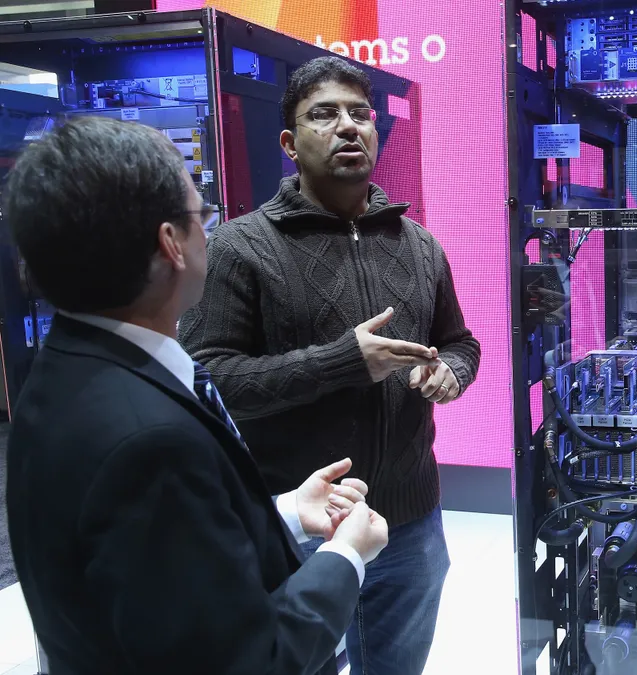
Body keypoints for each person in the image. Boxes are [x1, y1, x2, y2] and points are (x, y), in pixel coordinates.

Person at [4, 115, 389, 675]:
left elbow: (158, 579)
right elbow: (249, 660)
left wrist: (279, 513)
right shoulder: (149, 442)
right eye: (200, 216)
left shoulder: (67, 369)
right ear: (170, 244)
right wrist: (345, 555)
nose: (208, 231)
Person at [180, 56, 480, 675]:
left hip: (409, 522)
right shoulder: (240, 248)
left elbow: (460, 341)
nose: (348, 126)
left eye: (360, 114)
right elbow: (207, 383)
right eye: (324, 114)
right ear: (290, 142)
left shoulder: (419, 244)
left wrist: (451, 371)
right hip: (297, 523)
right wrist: (342, 362)